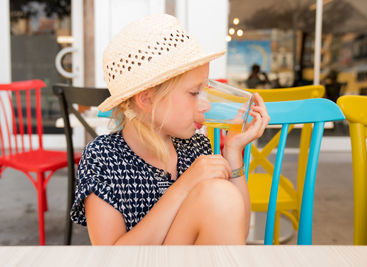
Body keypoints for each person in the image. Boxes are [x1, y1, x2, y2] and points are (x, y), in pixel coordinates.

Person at [70, 14, 269, 245]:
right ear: (146, 99)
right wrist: (186, 184)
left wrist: (233, 152)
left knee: (220, 196)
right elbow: (111, 257)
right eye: (194, 93)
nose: (206, 104)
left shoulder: (196, 146)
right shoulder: (102, 157)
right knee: (216, 194)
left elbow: (235, 231)